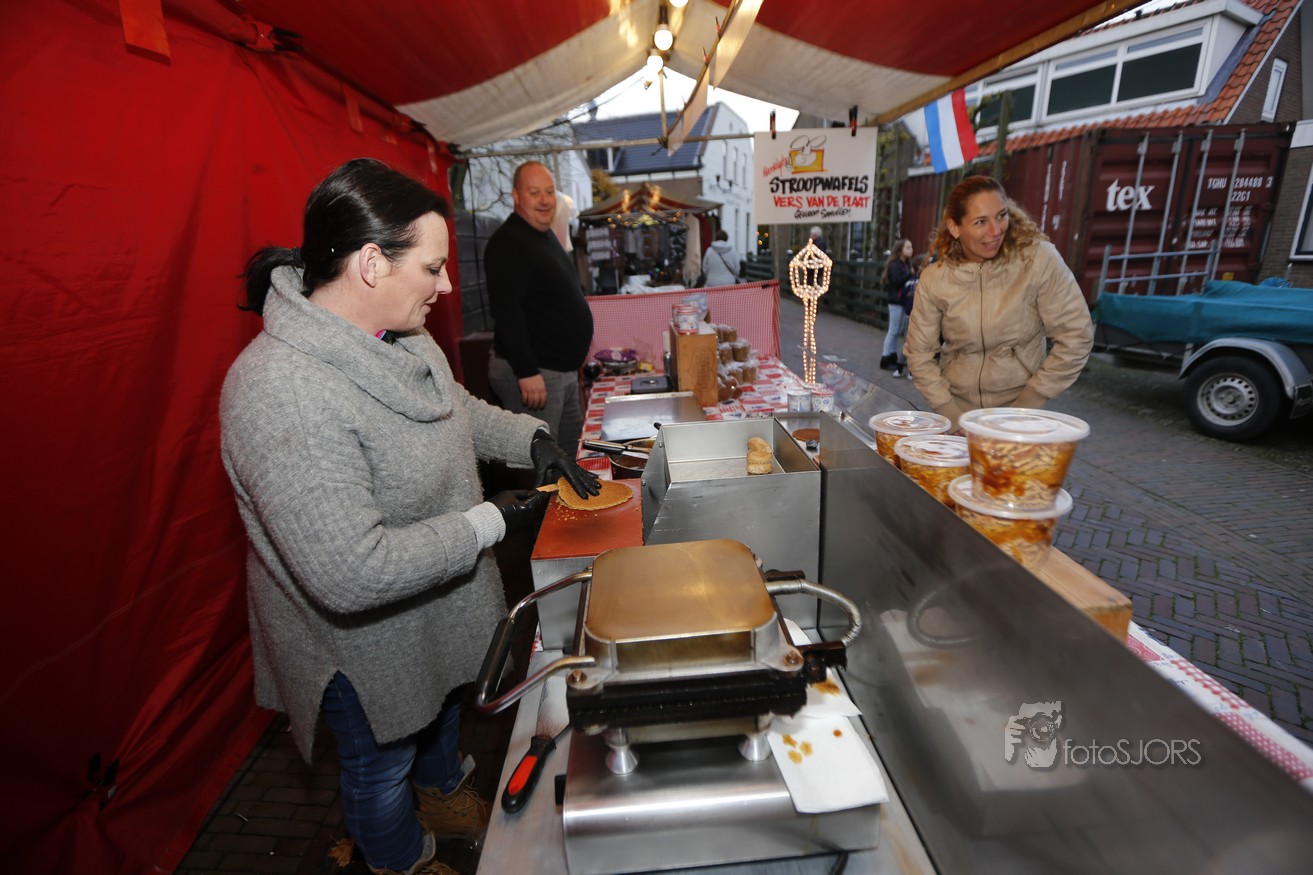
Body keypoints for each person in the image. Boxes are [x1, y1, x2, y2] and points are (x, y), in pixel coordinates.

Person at [220, 158, 600, 875]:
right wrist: (490, 522)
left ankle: (442, 791)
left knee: (443, 706)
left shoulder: (403, 334)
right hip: (360, 643)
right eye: (431, 268)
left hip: (436, 599)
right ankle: (400, 858)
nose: (447, 286)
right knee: (379, 764)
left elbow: (458, 411)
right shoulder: (280, 390)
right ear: (371, 264)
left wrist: (532, 440)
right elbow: (349, 572)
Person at [904, 175, 1093, 428]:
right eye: (981, 222)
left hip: (1022, 415)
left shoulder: (1039, 260)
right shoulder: (935, 279)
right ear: (955, 227)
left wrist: (1030, 402)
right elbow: (919, 354)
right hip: (957, 414)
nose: (995, 231)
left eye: (1001, 216)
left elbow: (1077, 335)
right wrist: (952, 415)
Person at [485, 161, 594, 457]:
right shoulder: (508, 242)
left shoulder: (542, 235)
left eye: (549, 192)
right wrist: (526, 371)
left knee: (568, 458)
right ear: (516, 196)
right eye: (534, 193)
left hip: (560, 371)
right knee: (542, 464)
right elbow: (506, 311)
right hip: (537, 375)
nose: (544, 200)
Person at [878, 239, 916, 376]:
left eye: (911, 247)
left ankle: (892, 356)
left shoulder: (906, 264)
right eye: (908, 247)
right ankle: (885, 357)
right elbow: (896, 281)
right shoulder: (895, 265)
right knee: (893, 329)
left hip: (902, 301)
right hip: (895, 301)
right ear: (901, 250)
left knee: (898, 329)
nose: (911, 250)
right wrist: (909, 273)